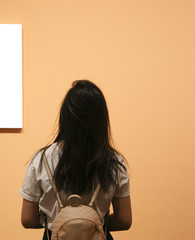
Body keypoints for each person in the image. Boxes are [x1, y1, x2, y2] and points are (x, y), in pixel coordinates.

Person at [19, 80, 132, 239]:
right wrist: (94, 223)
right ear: (101, 118)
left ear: (65, 116)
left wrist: (56, 221)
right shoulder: (114, 163)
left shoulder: (42, 160)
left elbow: (27, 219)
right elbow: (124, 220)